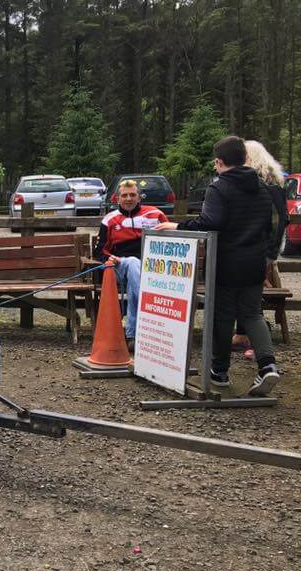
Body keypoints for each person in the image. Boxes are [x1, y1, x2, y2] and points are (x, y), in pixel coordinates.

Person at [155, 135, 279, 396]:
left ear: (219, 161)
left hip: (225, 263)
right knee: (252, 314)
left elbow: (210, 222)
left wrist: (176, 226)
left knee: (222, 316)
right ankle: (268, 366)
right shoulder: (262, 187)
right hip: (254, 263)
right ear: (245, 159)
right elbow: (269, 227)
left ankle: (219, 370)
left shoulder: (219, 188)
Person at [93, 179, 169, 349]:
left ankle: (132, 334)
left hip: (153, 267)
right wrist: (108, 259)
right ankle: (138, 332)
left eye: (132, 195)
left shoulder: (156, 214)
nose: (129, 199)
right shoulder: (110, 219)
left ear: (139, 197)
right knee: (134, 264)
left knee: (137, 277)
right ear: (117, 198)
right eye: (125, 195)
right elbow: (98, 251)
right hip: (121, 265)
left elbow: (170, 242)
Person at [232, 140, 289, 358]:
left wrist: (269, 254)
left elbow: (278, 221)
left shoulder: (268, 185)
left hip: (261, 251)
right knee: (244, 294)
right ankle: (242, 334)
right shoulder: (263, 183)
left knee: (251, 299)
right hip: (255, 250)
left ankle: (259, 347)